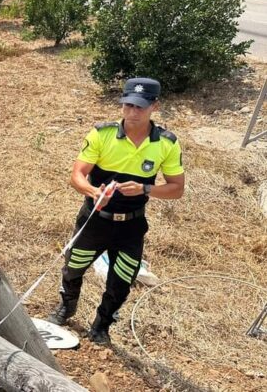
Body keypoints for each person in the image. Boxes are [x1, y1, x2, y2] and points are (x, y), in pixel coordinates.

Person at [47, 77, 185, 345]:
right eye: (128, 105)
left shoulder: (166, 143)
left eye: (141, 107)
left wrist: (146, 190)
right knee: (74, 267)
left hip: (131, 227)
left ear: (154, 106)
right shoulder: (102, 134)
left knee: (121, 281)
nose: (133, 112)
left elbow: (177, 188)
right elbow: (77, 174)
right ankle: (67, 307)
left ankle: (101, 326)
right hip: (95, 219)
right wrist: (93, 192)